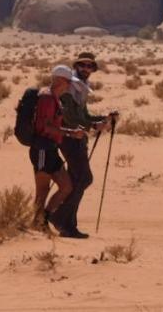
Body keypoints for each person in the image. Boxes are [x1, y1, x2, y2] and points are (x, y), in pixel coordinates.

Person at [53, 51, 116, 238]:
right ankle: (61, 219)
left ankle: (66, 223)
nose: (86, 69)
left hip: (77, 138)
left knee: (77, 180)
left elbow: (83, 116)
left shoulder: (81, 87)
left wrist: (103, 119)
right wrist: (93, 125)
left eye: (90, 66)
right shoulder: (70, 87)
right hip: (68, 138)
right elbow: (70, 117)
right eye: (82, 65)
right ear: (76, 66)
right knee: (84, 179)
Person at [30, 65, 86, 235]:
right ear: (60, 80)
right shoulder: (47, 98)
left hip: (51, 148)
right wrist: (70, 133)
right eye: (68, 82)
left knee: (66, 186)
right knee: (42, 190)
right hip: (42, 148)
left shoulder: (54, 98)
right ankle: (38, 222)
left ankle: (43, 219)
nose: (69, 86)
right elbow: (45, 127)